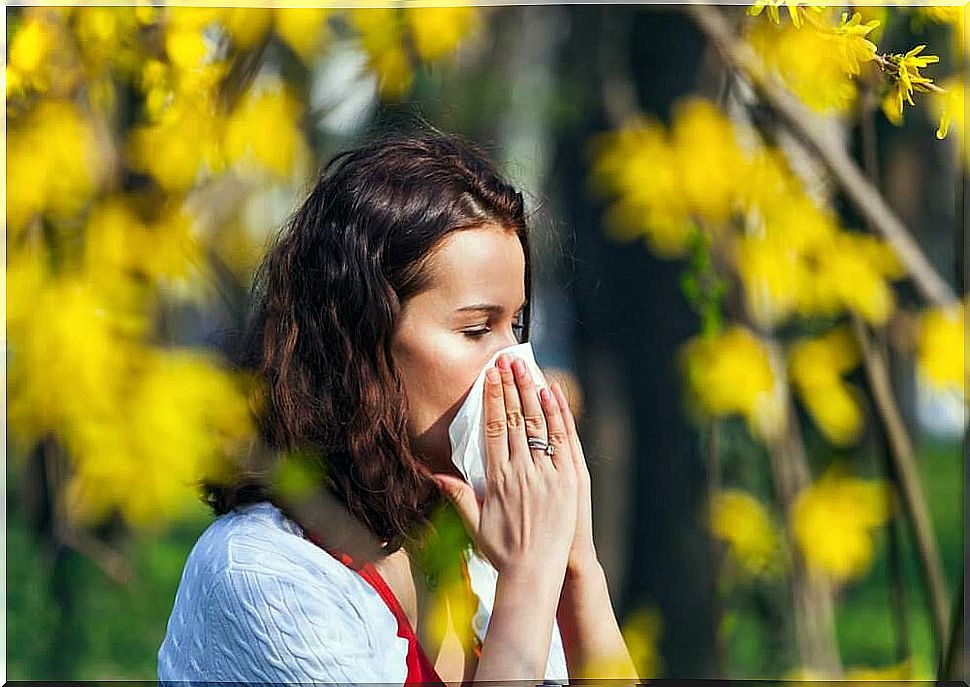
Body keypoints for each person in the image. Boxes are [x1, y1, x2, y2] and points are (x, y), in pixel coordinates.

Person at [157, 126, 639, 685]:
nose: (516, 367)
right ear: (362, 341)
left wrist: (577, 565)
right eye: (478, 327)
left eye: (518, 326)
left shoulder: (476, 549)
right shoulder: (263, 575)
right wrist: (530, 581)